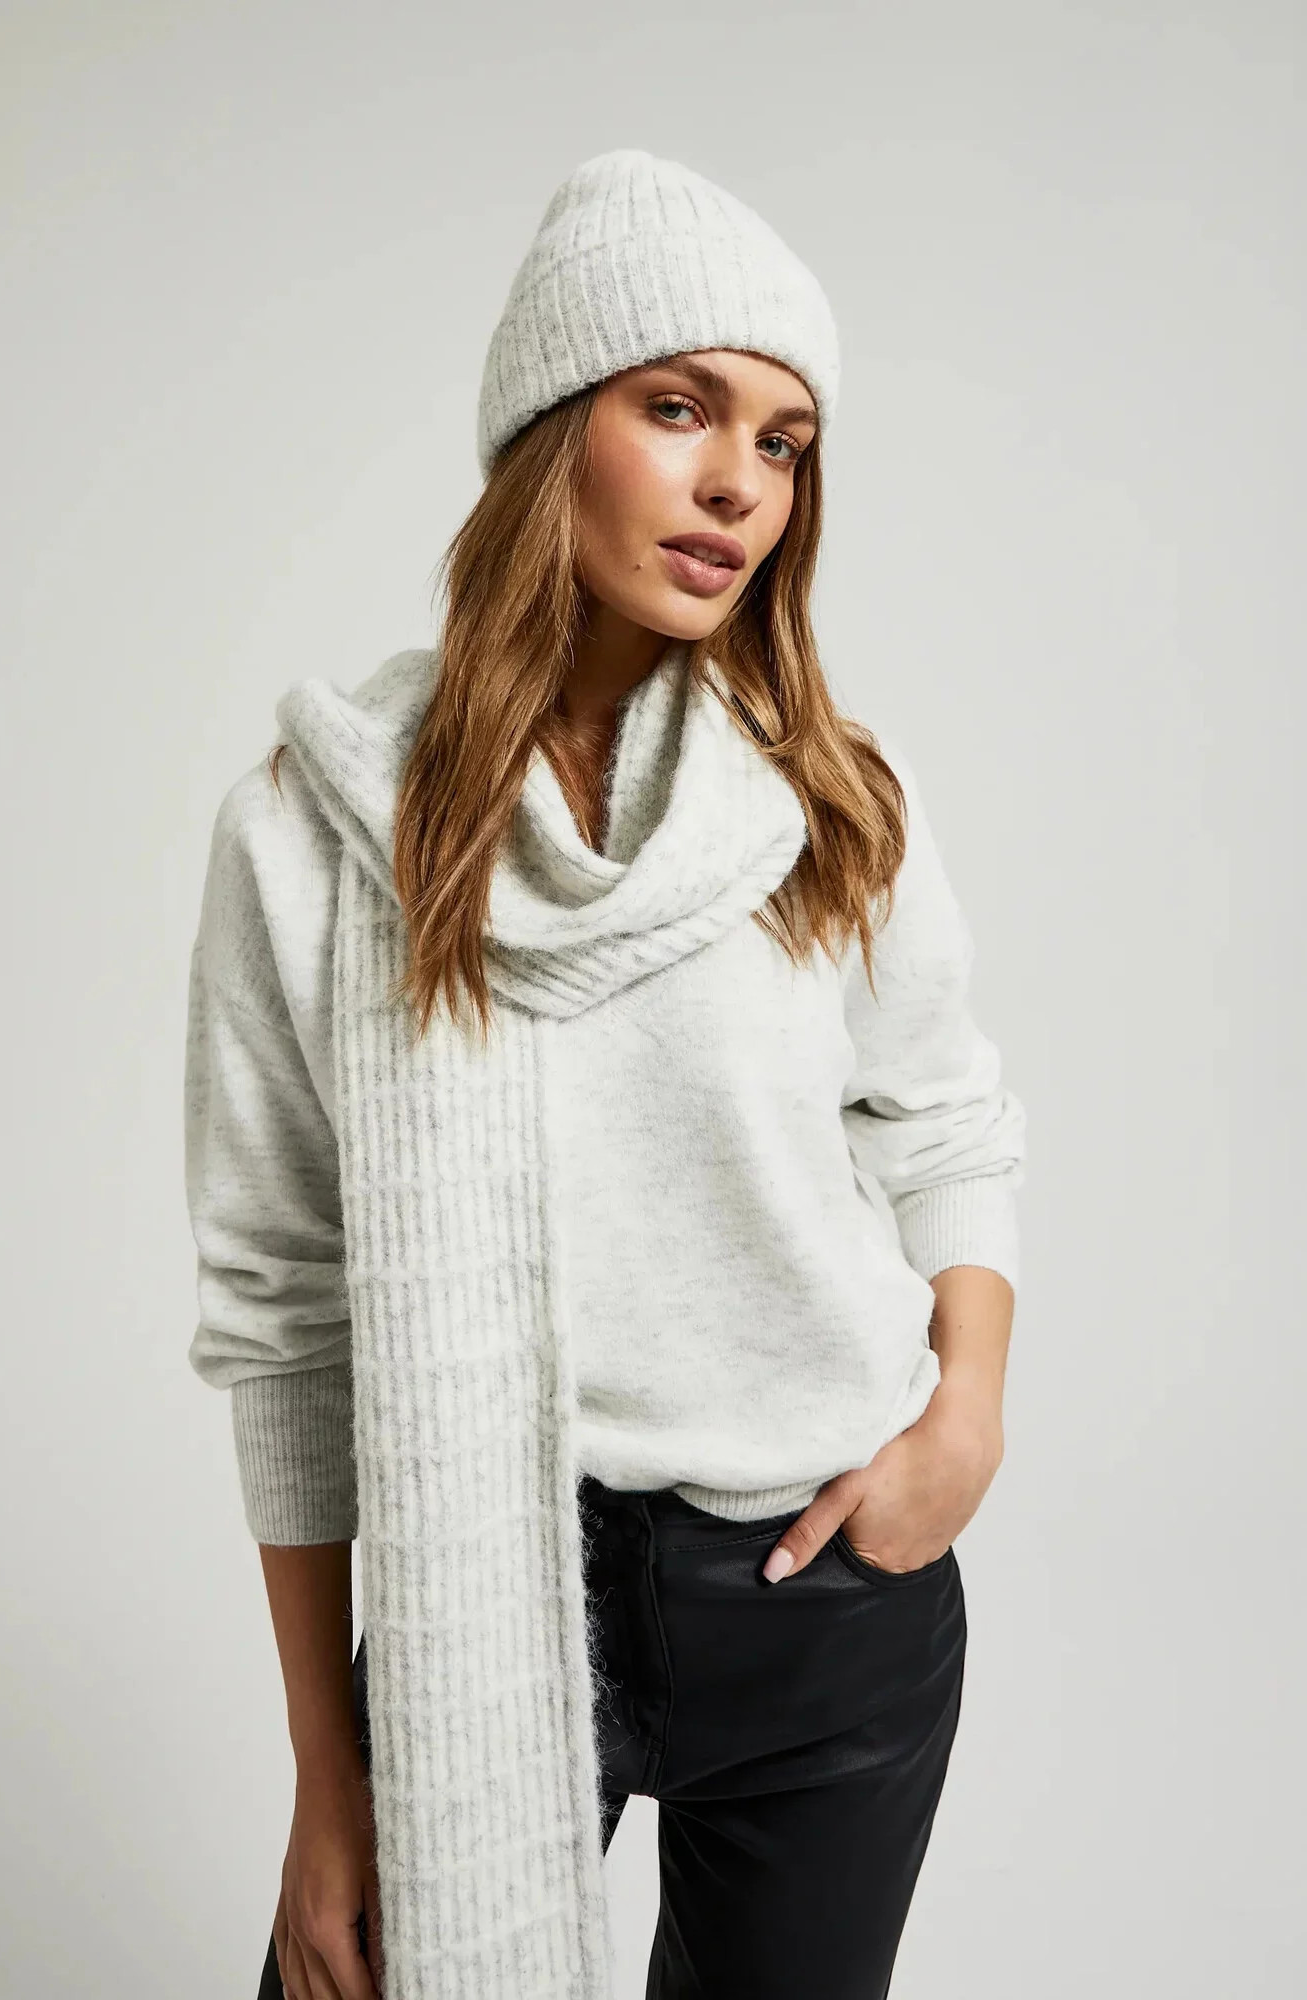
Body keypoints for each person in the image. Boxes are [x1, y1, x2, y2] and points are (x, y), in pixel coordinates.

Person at [183, 147, 1027, 2000]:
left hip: (826, 1609)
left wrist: (960, 1420)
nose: (740, 483)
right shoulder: (311, 836)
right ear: (547, 431)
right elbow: (283, 1309)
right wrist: (327, 1784)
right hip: (481, 1586)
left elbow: (943, 1116)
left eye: (784, 442)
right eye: (678, 408)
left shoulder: (832, 801)